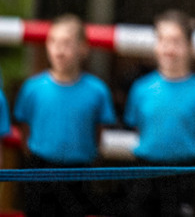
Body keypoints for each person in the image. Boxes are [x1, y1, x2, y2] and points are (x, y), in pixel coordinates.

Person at [13, 14, 117, 217]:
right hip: (39, 170)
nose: (59, 50)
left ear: (83, 48)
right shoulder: (32, 88)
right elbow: (24, 130)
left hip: (79, 171)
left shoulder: (97, 91)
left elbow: (99, 133)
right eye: (53, 41)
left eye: (67, 43)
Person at [122, 9, 195, 217]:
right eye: (163, 40)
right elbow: (136, 127)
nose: (169, 49)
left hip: (183, 174)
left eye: (176, 41)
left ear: (190, 47)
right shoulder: (141, 88)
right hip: (144, 171)